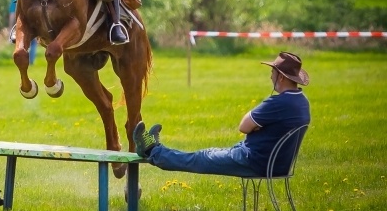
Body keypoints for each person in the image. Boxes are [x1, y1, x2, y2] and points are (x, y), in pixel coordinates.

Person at [133, 52, 311, 177]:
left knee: (199, 159)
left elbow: (244, 126)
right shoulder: (302, 102)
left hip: (255, 162)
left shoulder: (278, 103)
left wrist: (257, 126)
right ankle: (157, 147)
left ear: (281, 77)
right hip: (275, 164)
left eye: (272, 73)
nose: (270, 77)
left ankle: (151, 150)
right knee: (207, 153)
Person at [8, 0, 36, 65]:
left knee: (20, 41)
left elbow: (12, 14)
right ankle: (31, 60)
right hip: (32, 22)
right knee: (33, 42)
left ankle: (21, 58)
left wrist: (11, 27)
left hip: (22, 23)